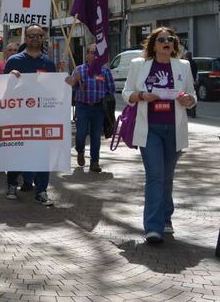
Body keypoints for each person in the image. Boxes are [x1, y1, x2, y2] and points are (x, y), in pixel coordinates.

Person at [123, 27, 196, 244]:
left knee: (167, 178)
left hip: (174, 129)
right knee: (155, 177)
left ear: (174, 44)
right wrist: (142, 95)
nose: (167, 42)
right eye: (162, 39)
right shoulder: (140, 65)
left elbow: (191, 94)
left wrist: (189, 100)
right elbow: (127, 93)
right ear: (154, 44)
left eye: (170, 39)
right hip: (150, 129)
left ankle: (166, 218)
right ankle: (153, 228)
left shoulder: (183, 65)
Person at [3, 25, 56, 207]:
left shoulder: (49, 63)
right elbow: (2, 89)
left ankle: (41, 190)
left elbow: (53, 91)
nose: (35, 38)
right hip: (18, 116)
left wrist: (64, 81)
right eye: (32, 35)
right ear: (25, 38)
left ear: (43, 39)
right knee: (16, 151)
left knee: (42, 154)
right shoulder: (14, 61)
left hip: (41, 117)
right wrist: (9, 78)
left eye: (39, 36)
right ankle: (12, 184)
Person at [65, 43, 115, 173]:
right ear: (86, 55)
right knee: (81, 134)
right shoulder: (78, 70)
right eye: (91, 52)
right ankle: (80, 150)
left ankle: (94, 162)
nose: (94, 55)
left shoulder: (105, 71)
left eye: (96, 53)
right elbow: (69, 88)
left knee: (96, 135)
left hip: (99, 108)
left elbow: (111, 89)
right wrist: (75, 81)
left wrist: (106, 103)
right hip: (82, 106)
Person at [183, 51, 198, 118]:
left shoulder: (186, 64)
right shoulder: (194, 63)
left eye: (184, 56)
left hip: (187, 82)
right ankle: (193, 112)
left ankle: (189, 112)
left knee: (186, 96)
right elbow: (196, 72)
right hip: (193, 82)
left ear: (187, 57)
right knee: (192, 95)